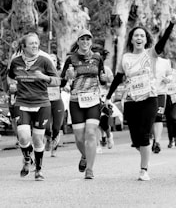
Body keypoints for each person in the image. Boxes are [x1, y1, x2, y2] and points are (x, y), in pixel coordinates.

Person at [105, 15, 176, 181]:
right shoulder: (125, 58)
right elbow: (118, 78)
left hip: (150, 99)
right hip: (131, 101)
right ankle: (146, 149)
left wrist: (171, 25)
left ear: (146, 40)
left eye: (142, 36)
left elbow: (162, 42)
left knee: (144, 135)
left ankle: (144, 169)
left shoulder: (151, 54)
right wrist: (108, 97)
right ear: (131, 39)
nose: (139, 38)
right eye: (136, 35)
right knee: (136, 140)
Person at [8, 33, 61, 181]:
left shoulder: (45, 61)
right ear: (23, 46)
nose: (35, 46)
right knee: (24, 137)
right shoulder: (16, 62)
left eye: (36, 43)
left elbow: (58, 81)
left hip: (42, 103)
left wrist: (44, 77)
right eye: (31, 43)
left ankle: (38, 169)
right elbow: (11, 77)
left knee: (37, 139)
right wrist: (11, 86)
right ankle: (26, 158)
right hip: (22, 102)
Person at [60, 29, 107, 179]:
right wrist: (68, 77)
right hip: (76, 101)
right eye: (82, 39)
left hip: (93, 100)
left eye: (88, 39)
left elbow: (103, 78)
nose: (85, 42)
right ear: (78, 42)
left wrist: (106, 78)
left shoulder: (97, 58)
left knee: (91, 133)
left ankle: (90, 169)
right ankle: (85, 156)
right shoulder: (71, 59)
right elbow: (61, 82)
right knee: (79, 138)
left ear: (91, 42)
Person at [44, 53, 65, 157]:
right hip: (45, 102)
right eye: (50, 59)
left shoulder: (60, 73)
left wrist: (66, 84)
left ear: (57, 62)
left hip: (57, 101)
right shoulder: (43, 72)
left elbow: (65, 83)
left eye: (54, 60)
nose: (52, 62)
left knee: (57, 127)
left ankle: (54, 147)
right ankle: (48, 137)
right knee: (46, 127)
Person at [152, 57, 173, 154]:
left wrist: (167, 79)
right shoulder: (143, 59)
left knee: (158, 117)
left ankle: (157, 142)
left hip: (160, 92)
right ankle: (153, 137)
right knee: (150, 118)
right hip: (147, 93)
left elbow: (170, 75)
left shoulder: (165, 62)